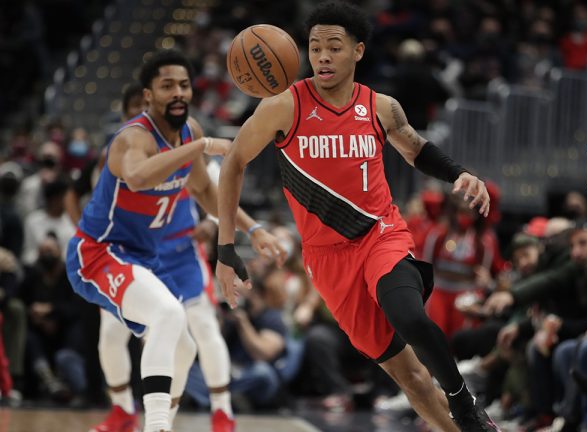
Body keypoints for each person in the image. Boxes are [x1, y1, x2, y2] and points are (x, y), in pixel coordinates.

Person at [215, 2, 499, 431]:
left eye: (334, 47)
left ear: (358, 51)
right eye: (315, 48)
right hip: (328, 259)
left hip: (381, 235)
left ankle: (463, 403)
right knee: (411, 377)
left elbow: (416, 148)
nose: (323, 57)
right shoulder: (282, 107)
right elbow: (233, 163)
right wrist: (225, 247)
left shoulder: (381, 107)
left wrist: (459, 173)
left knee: (408, 314)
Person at [65, 49, 282, 432]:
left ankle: (172, 418)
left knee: (186, 346)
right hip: (98, 253)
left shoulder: (190, 132)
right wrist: (198, 148)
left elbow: (203, 189)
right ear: (148, 95)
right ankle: (155, 425)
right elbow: (137, 178)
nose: (178, 92)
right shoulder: (132, 138)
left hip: (145, 257)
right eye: (167, 86)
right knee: (167, 315)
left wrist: (252, 229)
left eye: (183, 84)